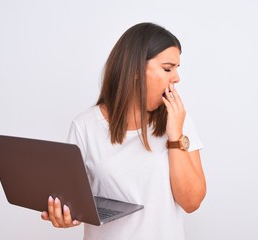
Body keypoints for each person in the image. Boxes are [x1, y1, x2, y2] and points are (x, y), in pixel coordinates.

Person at [41, 22, 207, 240]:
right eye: (168, 68)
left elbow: (191, 202)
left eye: (177, 69)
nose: (176, 78)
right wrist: (63, 214)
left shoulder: (177, 120)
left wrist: (175, 135)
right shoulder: (86, 126)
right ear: (135, 70)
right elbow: (69, 201)